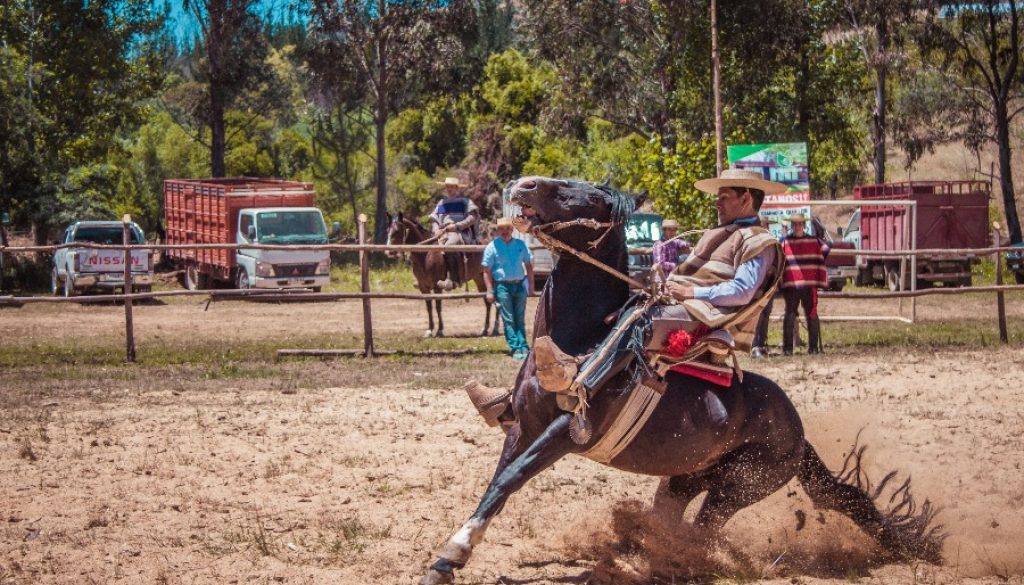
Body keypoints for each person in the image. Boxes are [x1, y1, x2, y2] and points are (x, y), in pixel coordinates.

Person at [536, 168, 787, 393]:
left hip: (710, 315)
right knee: (621, 309)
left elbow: (742, 291)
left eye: (724, 198)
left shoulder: (759, 242)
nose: (717, 204)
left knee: (639, 323)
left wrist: (691, 293)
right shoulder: (728, 233)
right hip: (691, 304)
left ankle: (584, 385)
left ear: (746, 199)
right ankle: (580, 361)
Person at [482, 217, 534, 360]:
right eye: (501, 229)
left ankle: (524, 345)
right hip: (502, 285)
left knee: (520, 317)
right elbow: (486, 270)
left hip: (519, 284)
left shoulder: (520, 245)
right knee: (509, 318)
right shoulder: (492, 247)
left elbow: (529, 265)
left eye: (507, 229)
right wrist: (489, 290)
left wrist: (531, 285)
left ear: (512, 230)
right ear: (498, 231)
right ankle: (516, 347)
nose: (505, 231)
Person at [780, 213, 830, 355]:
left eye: (799, 224)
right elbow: (778, 256)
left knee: (811, 315)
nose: (797, 227)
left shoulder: (813, 241)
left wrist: (817, 260)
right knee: (790, 315)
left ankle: (813, 348)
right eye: (794, 224)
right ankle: (788, 349)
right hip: (791, 284)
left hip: (809, 284)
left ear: (804, 225)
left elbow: (827, 248)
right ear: (791, 226)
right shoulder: (784, 242)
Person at [429, 176, 480, 291]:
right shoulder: (442, 203)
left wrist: (456, 226)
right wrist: (436, 229)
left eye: (452, 187)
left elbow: (472, 218)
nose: (449, 189)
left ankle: (454, 280)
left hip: (460, 232)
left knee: (449, 246)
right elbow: (435, 219)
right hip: (442, 232)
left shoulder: (464, 202)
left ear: (457, 188)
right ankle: (425, 278)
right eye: (447, 187)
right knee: (427, 249)